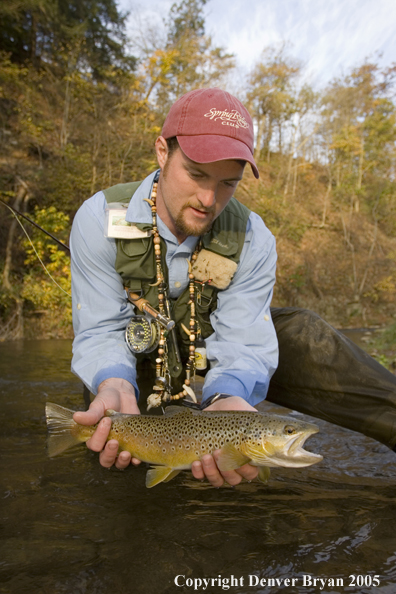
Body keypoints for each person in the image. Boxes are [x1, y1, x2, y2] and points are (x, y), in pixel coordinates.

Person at [70, 88, 396, 488]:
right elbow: (101, 329)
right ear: (161, 152)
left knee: (302, 330)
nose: (209, 199)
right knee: (121, 479)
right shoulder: (99, 218)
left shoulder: (254, 237)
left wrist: (229, 399)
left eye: (228, 183)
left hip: (212, 349)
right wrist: (113, 381)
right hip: (136, 359)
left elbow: (243, 339)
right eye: (196, 174)